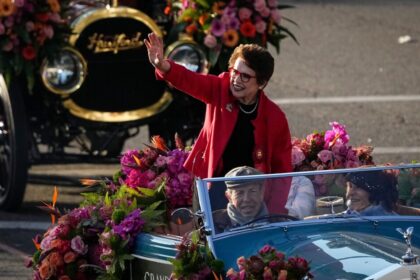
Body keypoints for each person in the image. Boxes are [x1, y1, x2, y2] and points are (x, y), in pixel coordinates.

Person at [144, 33, 292, 213]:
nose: (236, 80)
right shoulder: (220, 89)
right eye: (235, 72)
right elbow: (191, 80)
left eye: (245, 76)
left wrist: (274, 213)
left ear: (261, 83)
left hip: (251, 199)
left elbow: (282, 172)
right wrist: (163, 65)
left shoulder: (275, 118)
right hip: (212, 187)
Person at [212, 166, 268, 233]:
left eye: (252, 191)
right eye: (239, 193)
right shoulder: (212, 225)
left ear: (261, 193)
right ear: (229, 197)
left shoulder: (279, 222)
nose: (246, 199)